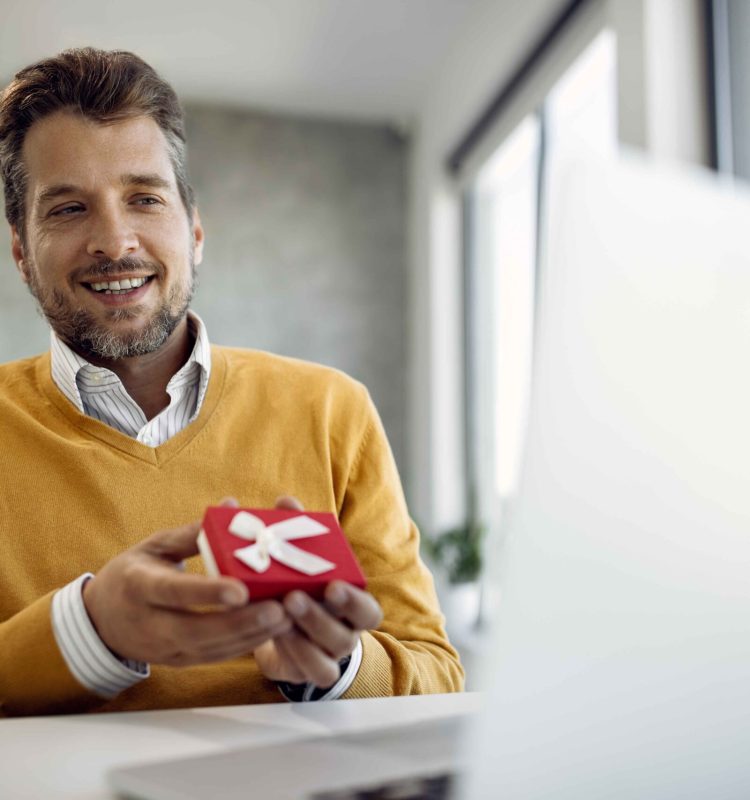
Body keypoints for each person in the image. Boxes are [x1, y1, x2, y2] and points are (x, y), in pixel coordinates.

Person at [0, 48, 463, 717]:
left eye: (144, 198)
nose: (115, 239)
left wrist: (334, 667)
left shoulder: (332, 412)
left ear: (193, 230)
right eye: (69, 209)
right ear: (21, 252)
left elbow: (438, 678)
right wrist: (88, 631)